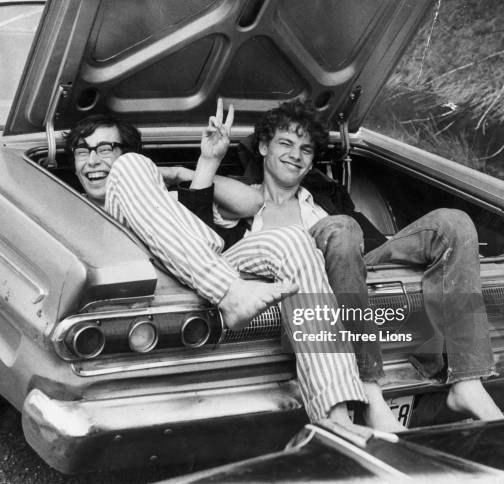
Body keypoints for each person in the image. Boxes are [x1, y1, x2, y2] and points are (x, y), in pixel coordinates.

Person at [194, 99, 504, 431]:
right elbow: (195, 229)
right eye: (285, 143)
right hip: (295, 290)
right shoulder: (239, 199)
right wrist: (208, 160)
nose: (296, 155)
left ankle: (467, 382)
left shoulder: (326, 197)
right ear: (264, 146)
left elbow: (370, 246)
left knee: (453, 223)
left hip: (350, 269)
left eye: (306, 149)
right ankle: (368, 387)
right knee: (341, 227)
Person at [65, 105, 369, 429]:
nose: (93, 160)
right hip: (201, 285)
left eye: (105, 149)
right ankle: (231, 292)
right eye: (83, 151)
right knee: (130, 169)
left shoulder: (159, 195)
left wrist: (195, 166)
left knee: (293, 239)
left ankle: (336, 417)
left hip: (211, 267)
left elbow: (251, 203)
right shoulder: (64, 206)